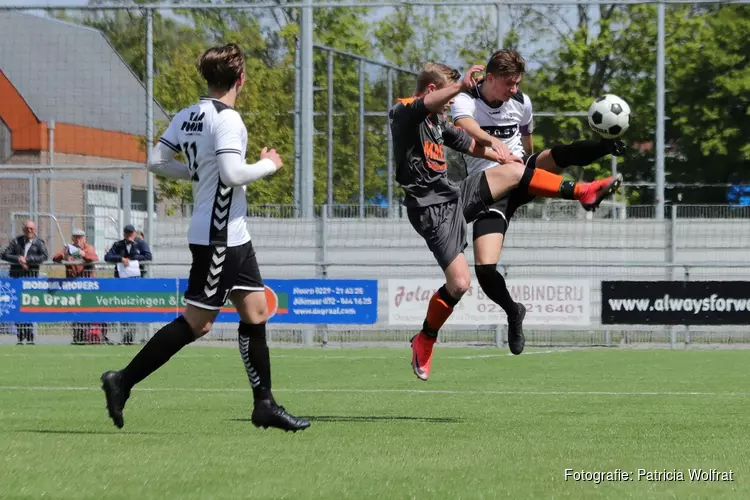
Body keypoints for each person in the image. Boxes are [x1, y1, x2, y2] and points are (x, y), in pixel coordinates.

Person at [100, 43, 309, 432]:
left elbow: (157, 162)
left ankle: (264, 404)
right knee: (197, 324)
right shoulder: (228, 120)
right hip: (219, 237)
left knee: (256, 312)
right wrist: (269, 164)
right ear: (240, 79)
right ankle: (122, 380)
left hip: (233, 234)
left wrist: (197, 172)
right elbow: (232, 174)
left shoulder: (188, 115)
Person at [389, 62, 621, 381]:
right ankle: (425, 339)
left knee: (514, 171)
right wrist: (459, 88)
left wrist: (498, 155)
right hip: (429, 210)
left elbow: (466, 143)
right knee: (459, 284)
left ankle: (583, 190)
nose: (449, 107)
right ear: (432, 90)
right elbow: (424, 105)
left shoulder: (436, 121)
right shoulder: (403, 113)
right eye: (446, 99)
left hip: (454, 196)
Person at [451, 49, 626, 355]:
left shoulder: (521, 103)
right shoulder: (467, 99)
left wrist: (533, 167)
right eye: (510, 83)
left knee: (554, 154)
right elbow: (466, 126)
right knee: (485, 269)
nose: (515, 90)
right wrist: (494, 143)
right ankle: (513, 311)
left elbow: (528, 141)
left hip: (522, 175)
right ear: (490, 78)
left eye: (518, 83)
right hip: (490, 193)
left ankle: (600, 156)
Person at [1, 220, 48, 345]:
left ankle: (30, 335)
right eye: (27, 228)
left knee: (29, 308)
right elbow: (4, 254)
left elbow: (44, 256)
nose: (29, 231)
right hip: (16, 278)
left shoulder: (39, 243)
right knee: (18, 308)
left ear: (35, 230)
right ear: (23, 229)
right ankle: (20, 336)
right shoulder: (16, 241)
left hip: (30, 279)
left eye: (31, 228)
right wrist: (18, 259)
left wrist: (28, 260)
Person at [105, 225, 153, 344]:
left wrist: (132, 259)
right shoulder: (118, 245)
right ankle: (125, 336)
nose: (128, 235)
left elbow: (148, 257)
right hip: (121, 282)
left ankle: (136, 336)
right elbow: (108, 257)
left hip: (136, 281)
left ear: (135, 233)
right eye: (126, 233)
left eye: (131, 233)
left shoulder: (140, 244)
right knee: (123, 308)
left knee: (135, 308)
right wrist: (121, 259)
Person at [52, 228, 98, 344]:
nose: (78, 239)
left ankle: (86, 337)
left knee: (86, 312)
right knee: (75, 312)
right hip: (73, 285)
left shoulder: (88, 248)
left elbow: (94, 258)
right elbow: (55, 258)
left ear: (84, 238)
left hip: (87, 286)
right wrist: (64, 256)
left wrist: (82, 253)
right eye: (76, 237)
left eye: (80, 237)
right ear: (72, 238)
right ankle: (77, 337)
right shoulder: (68, 248)